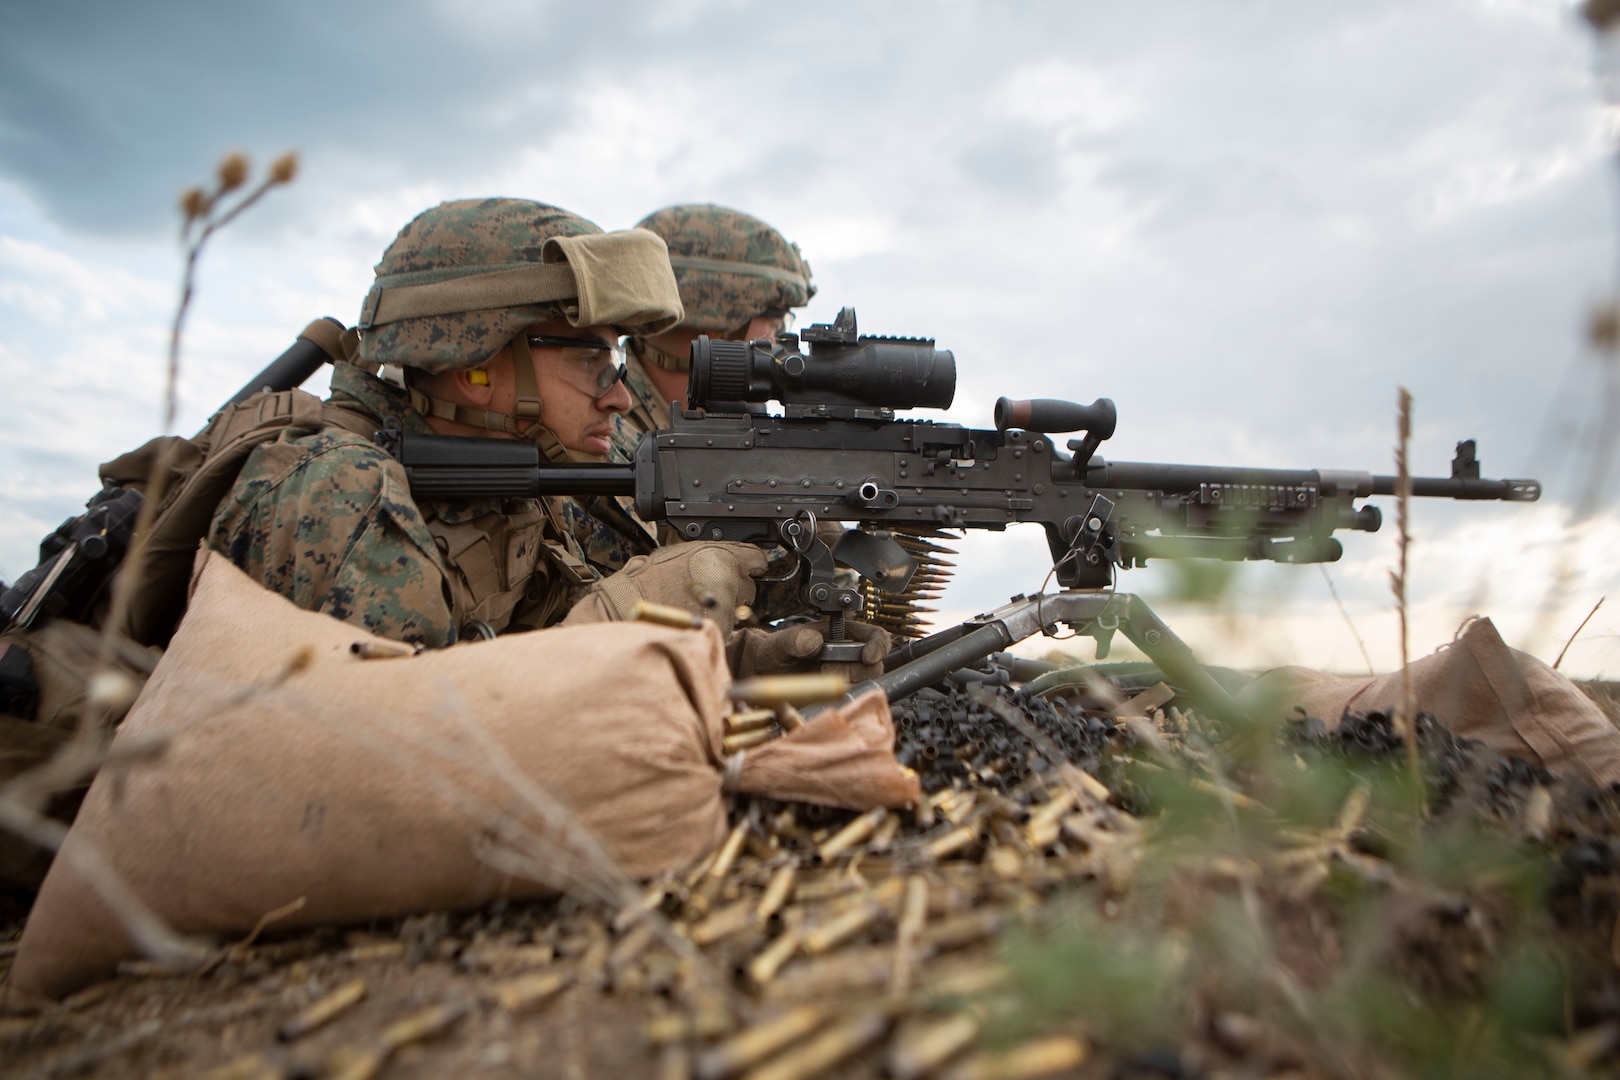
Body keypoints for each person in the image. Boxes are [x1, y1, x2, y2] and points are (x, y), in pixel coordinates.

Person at [208, 197, 765, 648]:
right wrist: (621, 616)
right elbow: (402, 746)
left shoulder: (511, 477)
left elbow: (532, 638)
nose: (618, 397)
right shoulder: (340, 494)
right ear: (474, 367)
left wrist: (731, 664)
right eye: (590, 361)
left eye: (616, 363)